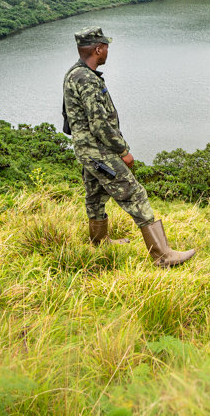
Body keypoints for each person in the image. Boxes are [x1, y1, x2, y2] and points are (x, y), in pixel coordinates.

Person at [62, 26, 195, 267]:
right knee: (135, 194)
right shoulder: (87, 79)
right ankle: (162, 255)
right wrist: (123, 151)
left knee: (95, 195)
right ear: (98, 49)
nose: (108, 52)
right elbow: (99, 124)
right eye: (106, 47)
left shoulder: (74, 73)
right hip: (98, 151)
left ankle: (99, 243)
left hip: (85, 151)